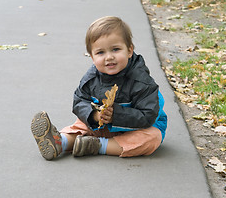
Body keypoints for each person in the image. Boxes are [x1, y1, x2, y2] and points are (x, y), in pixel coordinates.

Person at [31, 16, 167, 160]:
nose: (109, 57)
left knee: (151, 137)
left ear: (129, 50)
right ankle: (61, 142)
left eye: (115, 49)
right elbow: (79, 100)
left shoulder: (141, 81)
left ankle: (98, 145)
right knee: (81, 125)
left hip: (136, 128)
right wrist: (94, 115)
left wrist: (116, 116)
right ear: (92, 57)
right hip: (101, 126)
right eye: (101, 53)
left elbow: (148, 115)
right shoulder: (91, 78)